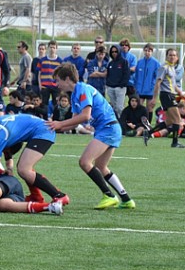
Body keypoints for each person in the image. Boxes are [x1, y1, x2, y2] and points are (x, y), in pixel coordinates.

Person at [48, 63, 136, 210]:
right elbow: (75, 122)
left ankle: (109, 195)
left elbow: (85, 116)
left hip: (108, 128)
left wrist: (60, 123)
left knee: (84, 162)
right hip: (109, 128)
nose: (57, 85)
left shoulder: (82, 89)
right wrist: (55, 128)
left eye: (58, 80)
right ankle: (126, 199)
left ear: (68, 79)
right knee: (101, 167)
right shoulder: (75, 95)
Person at [0, 114, 69, 205]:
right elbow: (7, 149)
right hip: (40, 129)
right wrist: (9, 168)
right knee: (25, 168)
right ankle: (36, 197)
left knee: (24, 170)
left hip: (43, 131)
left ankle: (59, 196)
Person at [144, 48, 185, 148]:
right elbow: (158, 83)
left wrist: (180, 93)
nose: (172, 57)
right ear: (167, 56)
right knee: (177, 119)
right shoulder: (164, 67)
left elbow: (173, 84)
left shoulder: (172, 67)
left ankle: (148, 133)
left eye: (174, 55)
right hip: (166, 95)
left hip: (171, 94)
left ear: (177, 58)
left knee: (169, 121)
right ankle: (175, 142)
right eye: (170, 55)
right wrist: (154, 98)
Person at [134, 43, 160, 123]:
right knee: (140, 107)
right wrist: (136, 87)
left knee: (149, 108)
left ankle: (148, 124)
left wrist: (153, 86)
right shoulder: (140, 62)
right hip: (140, 89)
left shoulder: (155, 63)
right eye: (146, 51)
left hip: (150, 89)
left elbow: (157, 77)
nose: (147, 52)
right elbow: (136, 75)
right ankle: (139, 123)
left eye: (149, 51)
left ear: (152, 52)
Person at [105, 44, 130, 119]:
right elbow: (108, 74)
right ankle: (118, 122)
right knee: (115, 108)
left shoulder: (124, 62)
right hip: (111, 88)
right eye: (112, 52)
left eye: (116, 51)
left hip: (120, 88)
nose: (114, 53)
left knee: (120, 107)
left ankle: (124, 122)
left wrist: (122, 84)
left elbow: (126, 74)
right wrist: (108, 84)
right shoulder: (110, 63)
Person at [38, 40, 63, 109]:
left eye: (54, 48)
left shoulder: (60, 61)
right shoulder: (42, 60)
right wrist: (40, 84)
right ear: (48, 48)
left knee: (57, 104)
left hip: (55, 86)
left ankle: (55, 117)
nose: (52, 49)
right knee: (44, 104)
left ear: (56, 49)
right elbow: (39, 73)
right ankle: (44, 118)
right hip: (45, 86)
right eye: (50, 47)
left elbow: (61, 74)